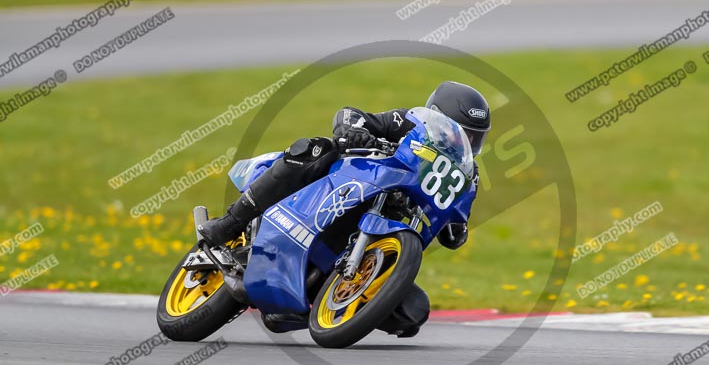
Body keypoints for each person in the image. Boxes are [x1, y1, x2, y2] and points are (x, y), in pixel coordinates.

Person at [198, 81, 491, 251]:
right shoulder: (408, 123)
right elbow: (351, 114)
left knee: (414, 313)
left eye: (474, 137)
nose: (467, 141)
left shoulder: (468, 176)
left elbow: (455, 230)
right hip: (356, 183)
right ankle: (231, 222)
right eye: (463, 133)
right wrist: (352, 131)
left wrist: (455, 228)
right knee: (316, 149)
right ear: (437, 117)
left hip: (384, 231)